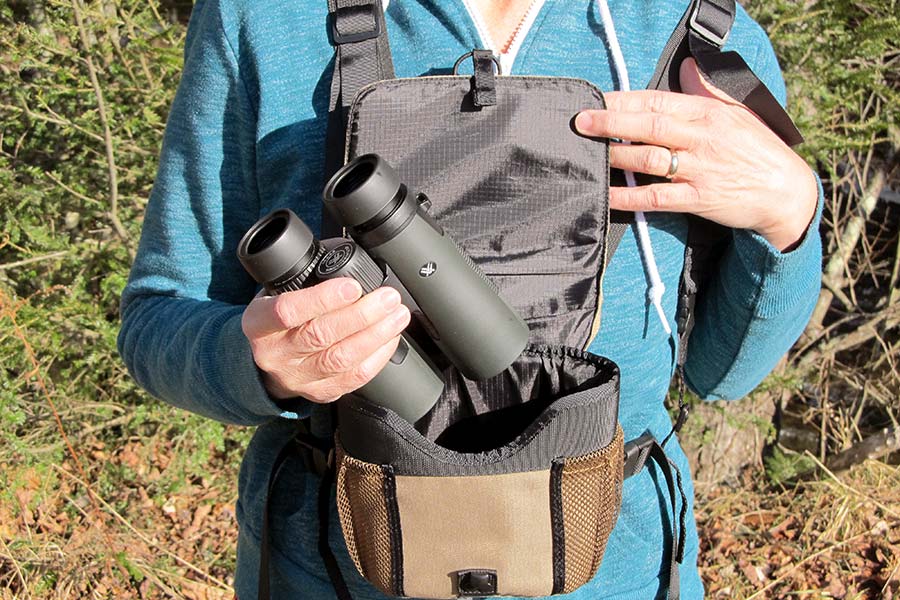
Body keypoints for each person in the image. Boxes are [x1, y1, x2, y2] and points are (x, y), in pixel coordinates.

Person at [117, 0, 822, 597]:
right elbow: (158, 317)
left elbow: (723, 373)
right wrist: (263, 363)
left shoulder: (698, 38)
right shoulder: (265, 18)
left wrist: (789, 212)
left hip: (619, 570)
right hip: (333, 569)